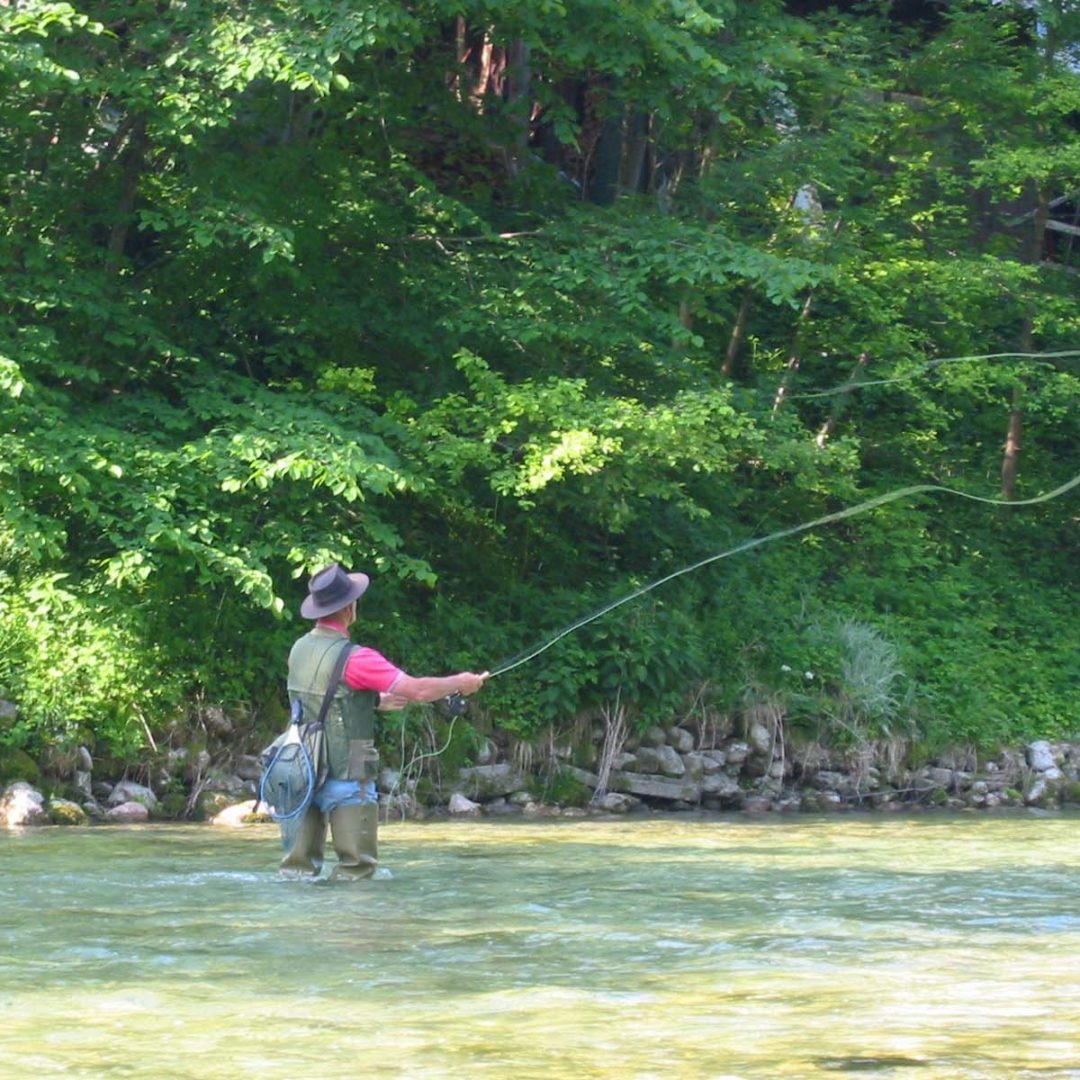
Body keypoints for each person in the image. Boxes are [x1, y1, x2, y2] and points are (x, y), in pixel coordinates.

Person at [281, 563, 487, 880]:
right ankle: (354, 929)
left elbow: (319, 698)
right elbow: (417, 690)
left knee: (295, 875)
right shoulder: (357, 657)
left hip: (300, 770)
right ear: (349, 607)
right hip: (350, 769)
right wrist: (460, 682)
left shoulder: (299, 649)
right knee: (357, 872)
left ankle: (302, 928)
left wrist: (374, 700)